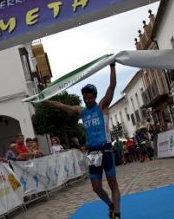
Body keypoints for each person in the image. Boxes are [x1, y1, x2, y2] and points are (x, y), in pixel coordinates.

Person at [47, 63, 121, 219]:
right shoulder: (81, 111)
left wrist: (112, 67)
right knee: (96, 187)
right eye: (85, 98)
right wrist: (45, 101)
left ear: (94, 97)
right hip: (93, 152)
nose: (87, 100)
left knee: (112, 183)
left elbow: (112, 86)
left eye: (89, 98)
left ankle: (118, 213)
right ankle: (110, 205)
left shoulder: (102, 106)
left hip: (106, 148)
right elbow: (62, 106)